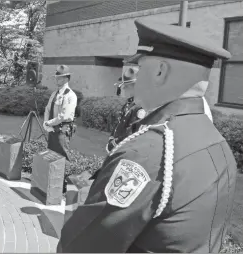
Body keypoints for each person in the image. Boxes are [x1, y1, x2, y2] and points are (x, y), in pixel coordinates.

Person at [57, 19, 237, 253]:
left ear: (160, 71)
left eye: (139, 68)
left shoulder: (146, 152)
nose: (133, 79)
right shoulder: (218, 143)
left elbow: (81, 247)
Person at [106, 66, 146, 153]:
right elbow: (119, 124)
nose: (123, 88)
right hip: (119, 147)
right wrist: (112, 138)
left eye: (126, 86)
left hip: (126, 149)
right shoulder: (129, 104)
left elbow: (131, 133)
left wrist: (114, 144)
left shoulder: (140, 107)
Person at [43, 65, 78, 161]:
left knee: (63, 156)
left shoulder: (70, 95)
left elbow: (64, 116)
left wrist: (49, 123)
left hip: (62, 130)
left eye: (59, 77)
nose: (56, 79)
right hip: (52, 129)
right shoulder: (55, 93)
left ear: (66, 79)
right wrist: (46, 123)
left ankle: (67, 174)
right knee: (51, 155)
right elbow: (47, 109)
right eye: (56, 77)